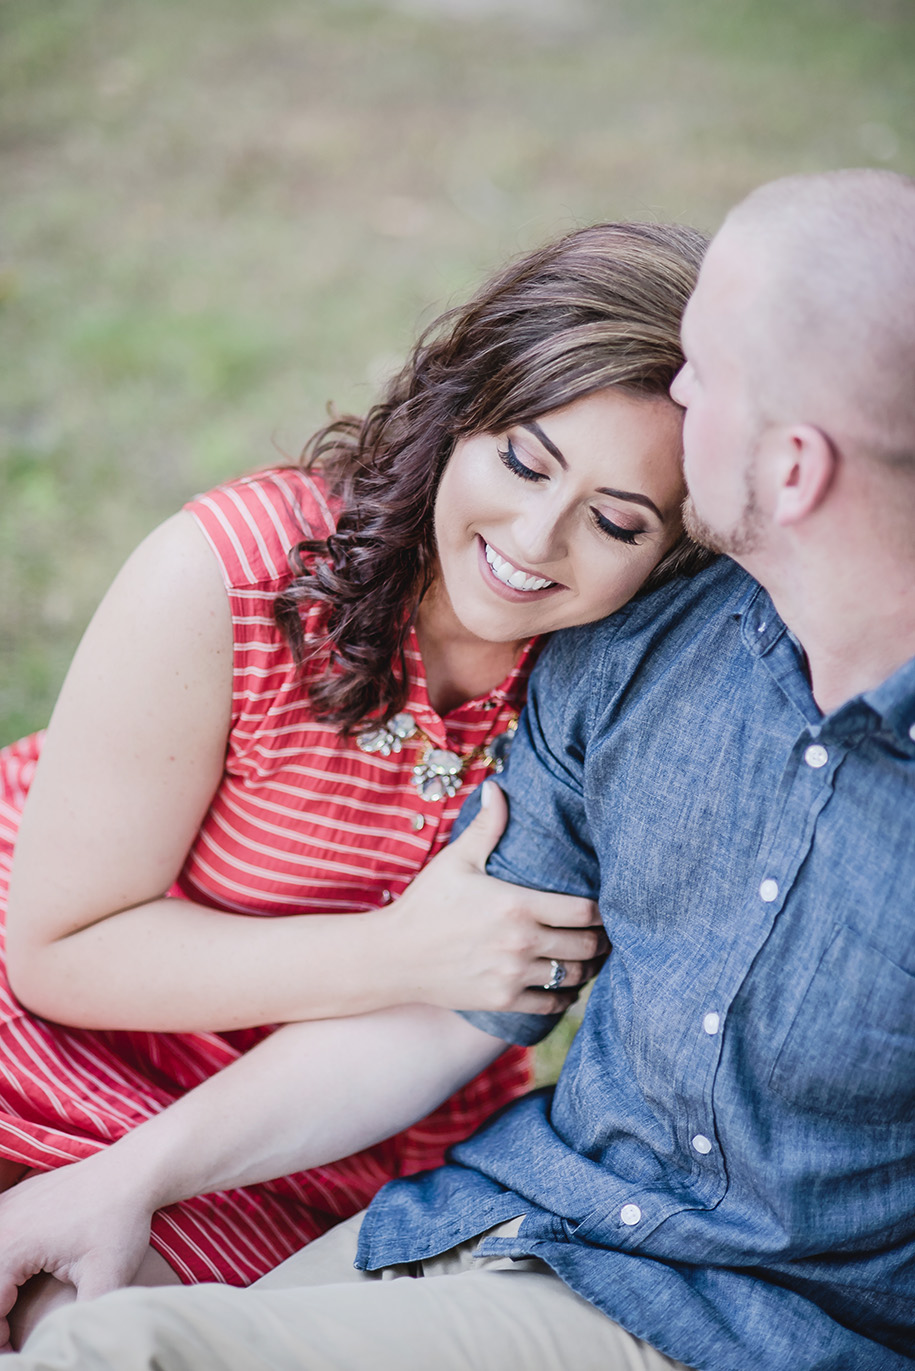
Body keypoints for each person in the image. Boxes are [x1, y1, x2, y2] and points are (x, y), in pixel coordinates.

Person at [5, 166, 912, 1371]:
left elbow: (460, 1012)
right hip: (72, 1040)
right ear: (460, 417)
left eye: (621, 519)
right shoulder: (239, 578)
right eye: (525, 463)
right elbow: (62, 950)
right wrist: (396, 952)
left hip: (329, 1138)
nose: (537, 542)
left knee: (81, 1334)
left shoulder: (606, 661)